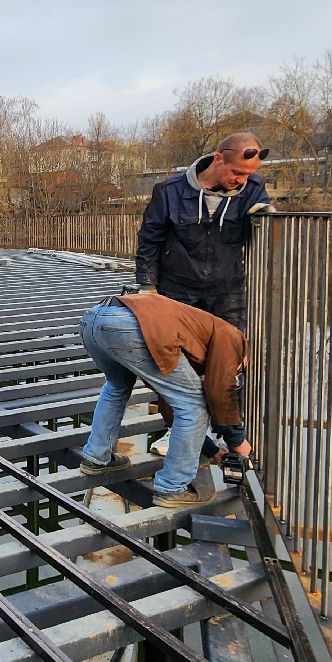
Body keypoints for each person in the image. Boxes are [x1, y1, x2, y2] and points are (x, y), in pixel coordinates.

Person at [135, 131, 271, 460]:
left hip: (227, 292)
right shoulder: (170, 192)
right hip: (177, 291)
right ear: (219, 158)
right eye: (237, 172)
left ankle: (230, 441)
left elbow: (265, 226)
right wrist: (148, 290)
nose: (241, 180)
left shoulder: (252, 189)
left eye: (247, 175)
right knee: (174, 366)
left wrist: (264, 220)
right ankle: (180, 434)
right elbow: (149, 240)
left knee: (229, 367)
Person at [77, 292, 252, 508]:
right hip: (129, 325)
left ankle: (96, 457)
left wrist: (212, 451)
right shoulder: (232, 337)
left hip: (93, 319)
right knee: (195, 405)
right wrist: (237, 441)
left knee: (116, 387)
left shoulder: (187, 336)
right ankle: (173, 487)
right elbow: (221, 390)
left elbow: (170, 402)